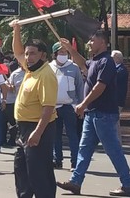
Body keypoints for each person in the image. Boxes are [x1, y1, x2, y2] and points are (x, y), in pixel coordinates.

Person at [57, 32, 130, 196]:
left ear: (103, 42)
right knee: (84, 149)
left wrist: (83, 104)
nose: (89, 42)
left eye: (93, 40)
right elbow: (81, 63)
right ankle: (75, 182)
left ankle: (128, 185)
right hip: (92, 114)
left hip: (104, 114)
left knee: (113, 150)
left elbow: (100, 87)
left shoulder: (106, 62)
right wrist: (70, 50)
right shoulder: (94, 61)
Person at [10, 20, 57, 198]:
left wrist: (37, 132)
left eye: (33, 54)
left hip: (38, 128)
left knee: (39, 173)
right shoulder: (30, 69)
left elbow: (48, 108)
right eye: (28, 54)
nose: (28, 57)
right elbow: (17, 52)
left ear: (43, 55)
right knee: (21, 170)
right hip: (23, 128)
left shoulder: (46, 74)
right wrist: (16, 30)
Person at [50, 41, 84, 170]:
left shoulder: (74, 67)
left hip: (70, 106)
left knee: (72, 135)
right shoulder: (49, 68)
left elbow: (80, 87)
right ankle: (57, 159)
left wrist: (81, 105)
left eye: (65, 52)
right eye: (60, 52)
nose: (63, 54)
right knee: (55, 135)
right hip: (54, 107)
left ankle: (75, 161)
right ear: (55, 54)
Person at [111, 50, 129, 143]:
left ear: (117, 58)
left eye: (112, 57)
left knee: (115, 121)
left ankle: (117, 142)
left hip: (118, 100)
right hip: (113, 100)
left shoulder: (122, 70)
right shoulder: (116, 69)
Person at [4, 65, 23, 148]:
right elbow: (7, 86)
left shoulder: (34, 72)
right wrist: (9, 87)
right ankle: (14, 139)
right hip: (17, 102)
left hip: (31, 103)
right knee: (15, 123)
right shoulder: (15, 74)